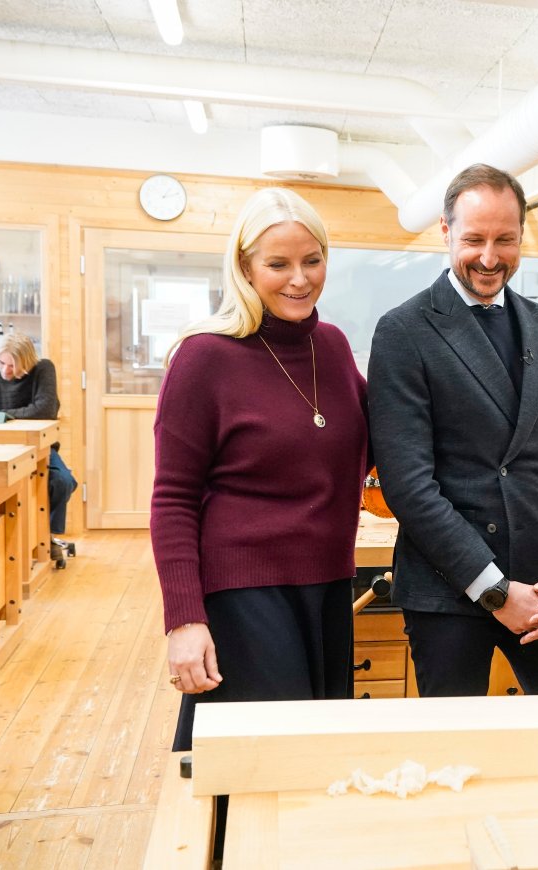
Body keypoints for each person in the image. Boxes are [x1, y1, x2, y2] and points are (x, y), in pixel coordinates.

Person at [150, 187, 371, 752]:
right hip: (245, 592)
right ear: (245, 267)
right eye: (278, 264)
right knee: (260, 760)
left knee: (316, 758)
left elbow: (369, 447)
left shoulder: (333, 347)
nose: (299, 279)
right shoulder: (204, 357)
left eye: (312, 260)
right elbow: (173, 498)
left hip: (328, 587)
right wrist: (184, 620)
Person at [368, 163, 538, 697]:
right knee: (457, 743)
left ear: (522, 236)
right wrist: (493, 589)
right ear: (446, 232)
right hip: (451, 588)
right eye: (474, 240)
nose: (490, 258)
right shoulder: (405, 331)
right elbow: (409, 486)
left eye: (506, 240)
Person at [0, 333, 78, 544]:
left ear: (26, 361)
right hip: (0, 448)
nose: (5, 370)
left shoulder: (43, 369)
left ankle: (46, 537)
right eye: (1, 362)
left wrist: (1, 414)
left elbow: (44, 410)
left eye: (12, 365)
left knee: (62, 482)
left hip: (38, 446)